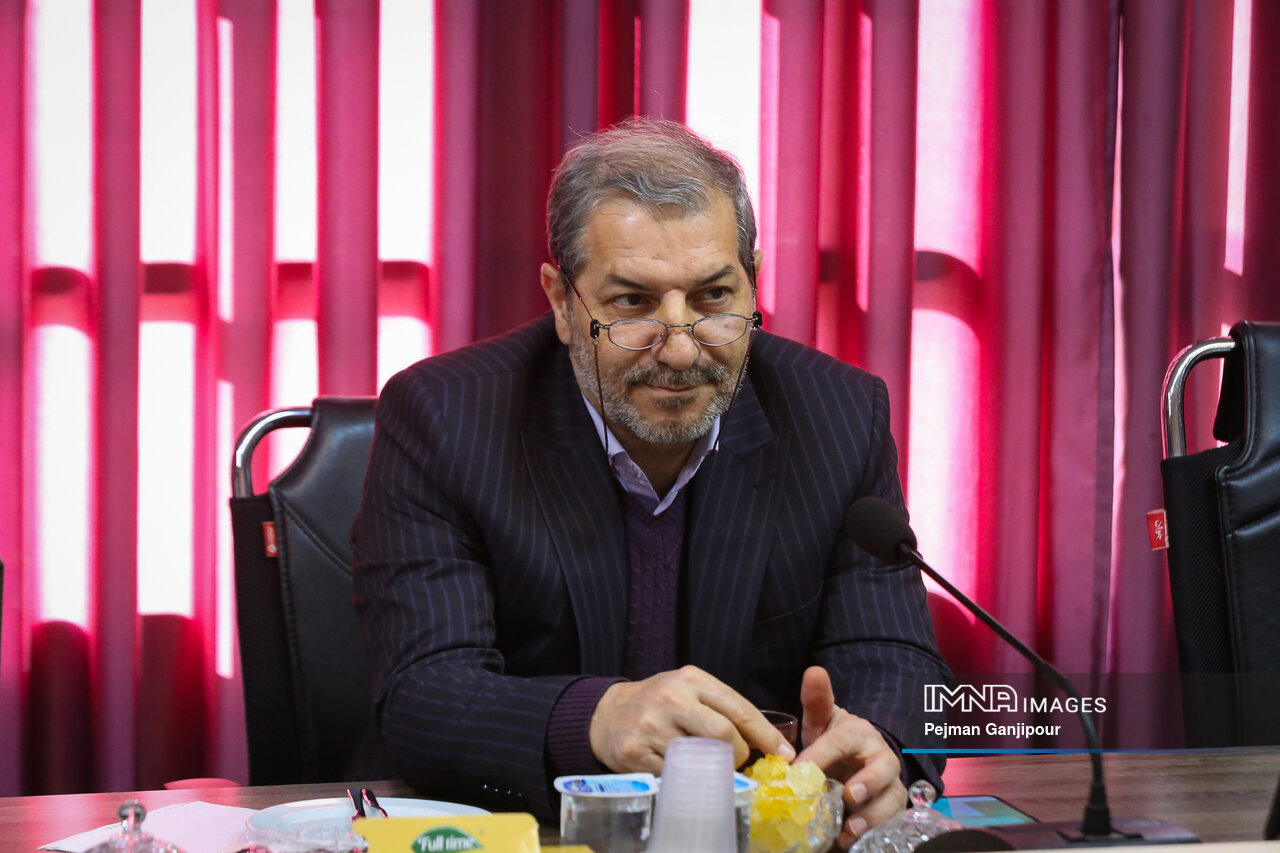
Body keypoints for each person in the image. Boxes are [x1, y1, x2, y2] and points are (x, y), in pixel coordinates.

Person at [351, 117, 951, 848]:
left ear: (753, 283)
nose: (680, 348)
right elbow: (423, 693)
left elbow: (893, 654)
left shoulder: (838, 414)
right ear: (563, 303)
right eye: (632, 302)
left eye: (713, 298)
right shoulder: (446, 416)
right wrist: (593, 718)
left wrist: (879, 748)